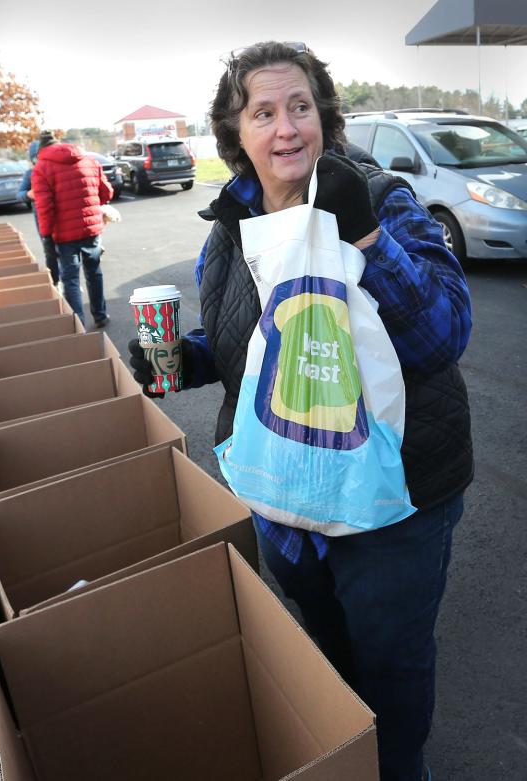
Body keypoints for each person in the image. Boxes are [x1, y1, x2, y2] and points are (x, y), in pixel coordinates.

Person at [127, 41, 472, 781]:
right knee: (331, 660)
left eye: (300, 107)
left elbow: (444, 333)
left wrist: (369, 240)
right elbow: (256, 347)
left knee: (391, 670)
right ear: (237, 133)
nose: (286, 128)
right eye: (263, 112)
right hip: (285, 495)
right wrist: (187, 357)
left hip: (395, 499)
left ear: (324, 118)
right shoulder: (230, 227)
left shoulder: (379, 198)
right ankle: (350, 756)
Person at [32, 129, 113, 328]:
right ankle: (100, 315)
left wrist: (46, 235)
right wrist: (91, 206)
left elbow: (44, 206)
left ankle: (79, 325)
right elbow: (106, 192)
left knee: (70, 278)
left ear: (40, 149)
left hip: (64, 234)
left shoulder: (41, 168)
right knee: (94, 271)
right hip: (91, 229)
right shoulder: (89, 160)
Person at [17, 139, 59, 285]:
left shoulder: (60, 169)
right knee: (50, 251)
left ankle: (67, 281)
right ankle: (55, 281)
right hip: (43, 218)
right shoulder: (31, 173)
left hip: (63, 216)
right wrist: (29, 194)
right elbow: (20, 194)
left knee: (66, 252)